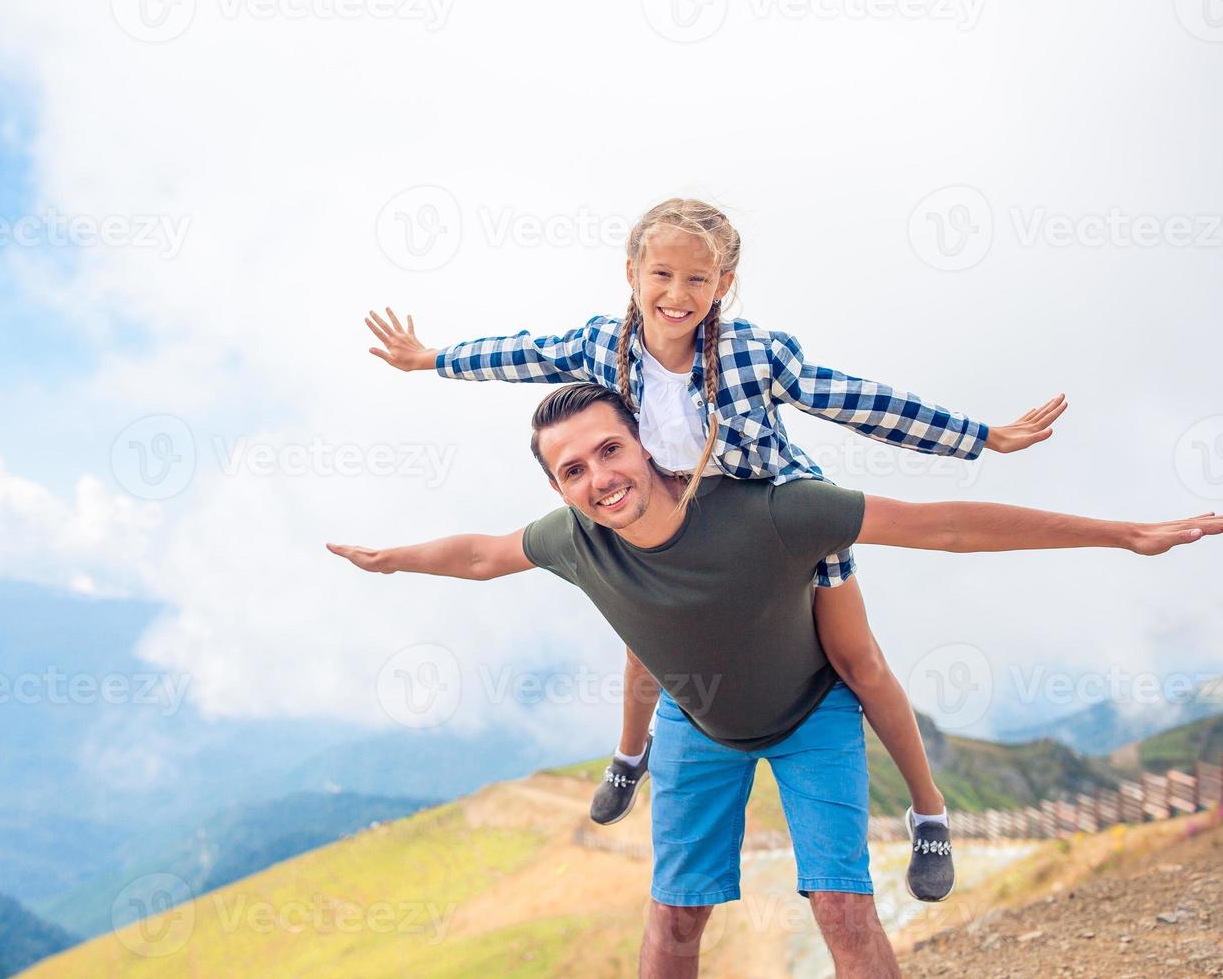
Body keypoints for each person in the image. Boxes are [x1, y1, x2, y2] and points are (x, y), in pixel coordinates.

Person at [328, 382, 1221, 978]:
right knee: (674, 923)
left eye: (609, 450)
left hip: (811, 717)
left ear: (646, 440)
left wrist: (1123, 534)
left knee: (840, 905)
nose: (599, 479)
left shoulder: (774, 512)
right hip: (697, 728)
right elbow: (483, 553)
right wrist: (392, 559)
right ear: (559, 488)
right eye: (573, 470)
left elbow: (945, 526)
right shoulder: (573, 541)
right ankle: (627, 760)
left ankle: (928, 812)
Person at [362, 196, 1067, 901]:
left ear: (724, 283)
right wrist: (431, 359)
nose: (677, 295)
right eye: (661, 275)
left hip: (767, 521)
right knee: (649, 633)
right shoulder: (602, 345)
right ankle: (630, 755)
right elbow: (523, 354)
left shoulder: (754, 354)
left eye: (698, 280)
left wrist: (978, 435)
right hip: (666, 521)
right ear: (632, 273)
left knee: (858, 660)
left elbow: (857, 401)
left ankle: (929, 810)